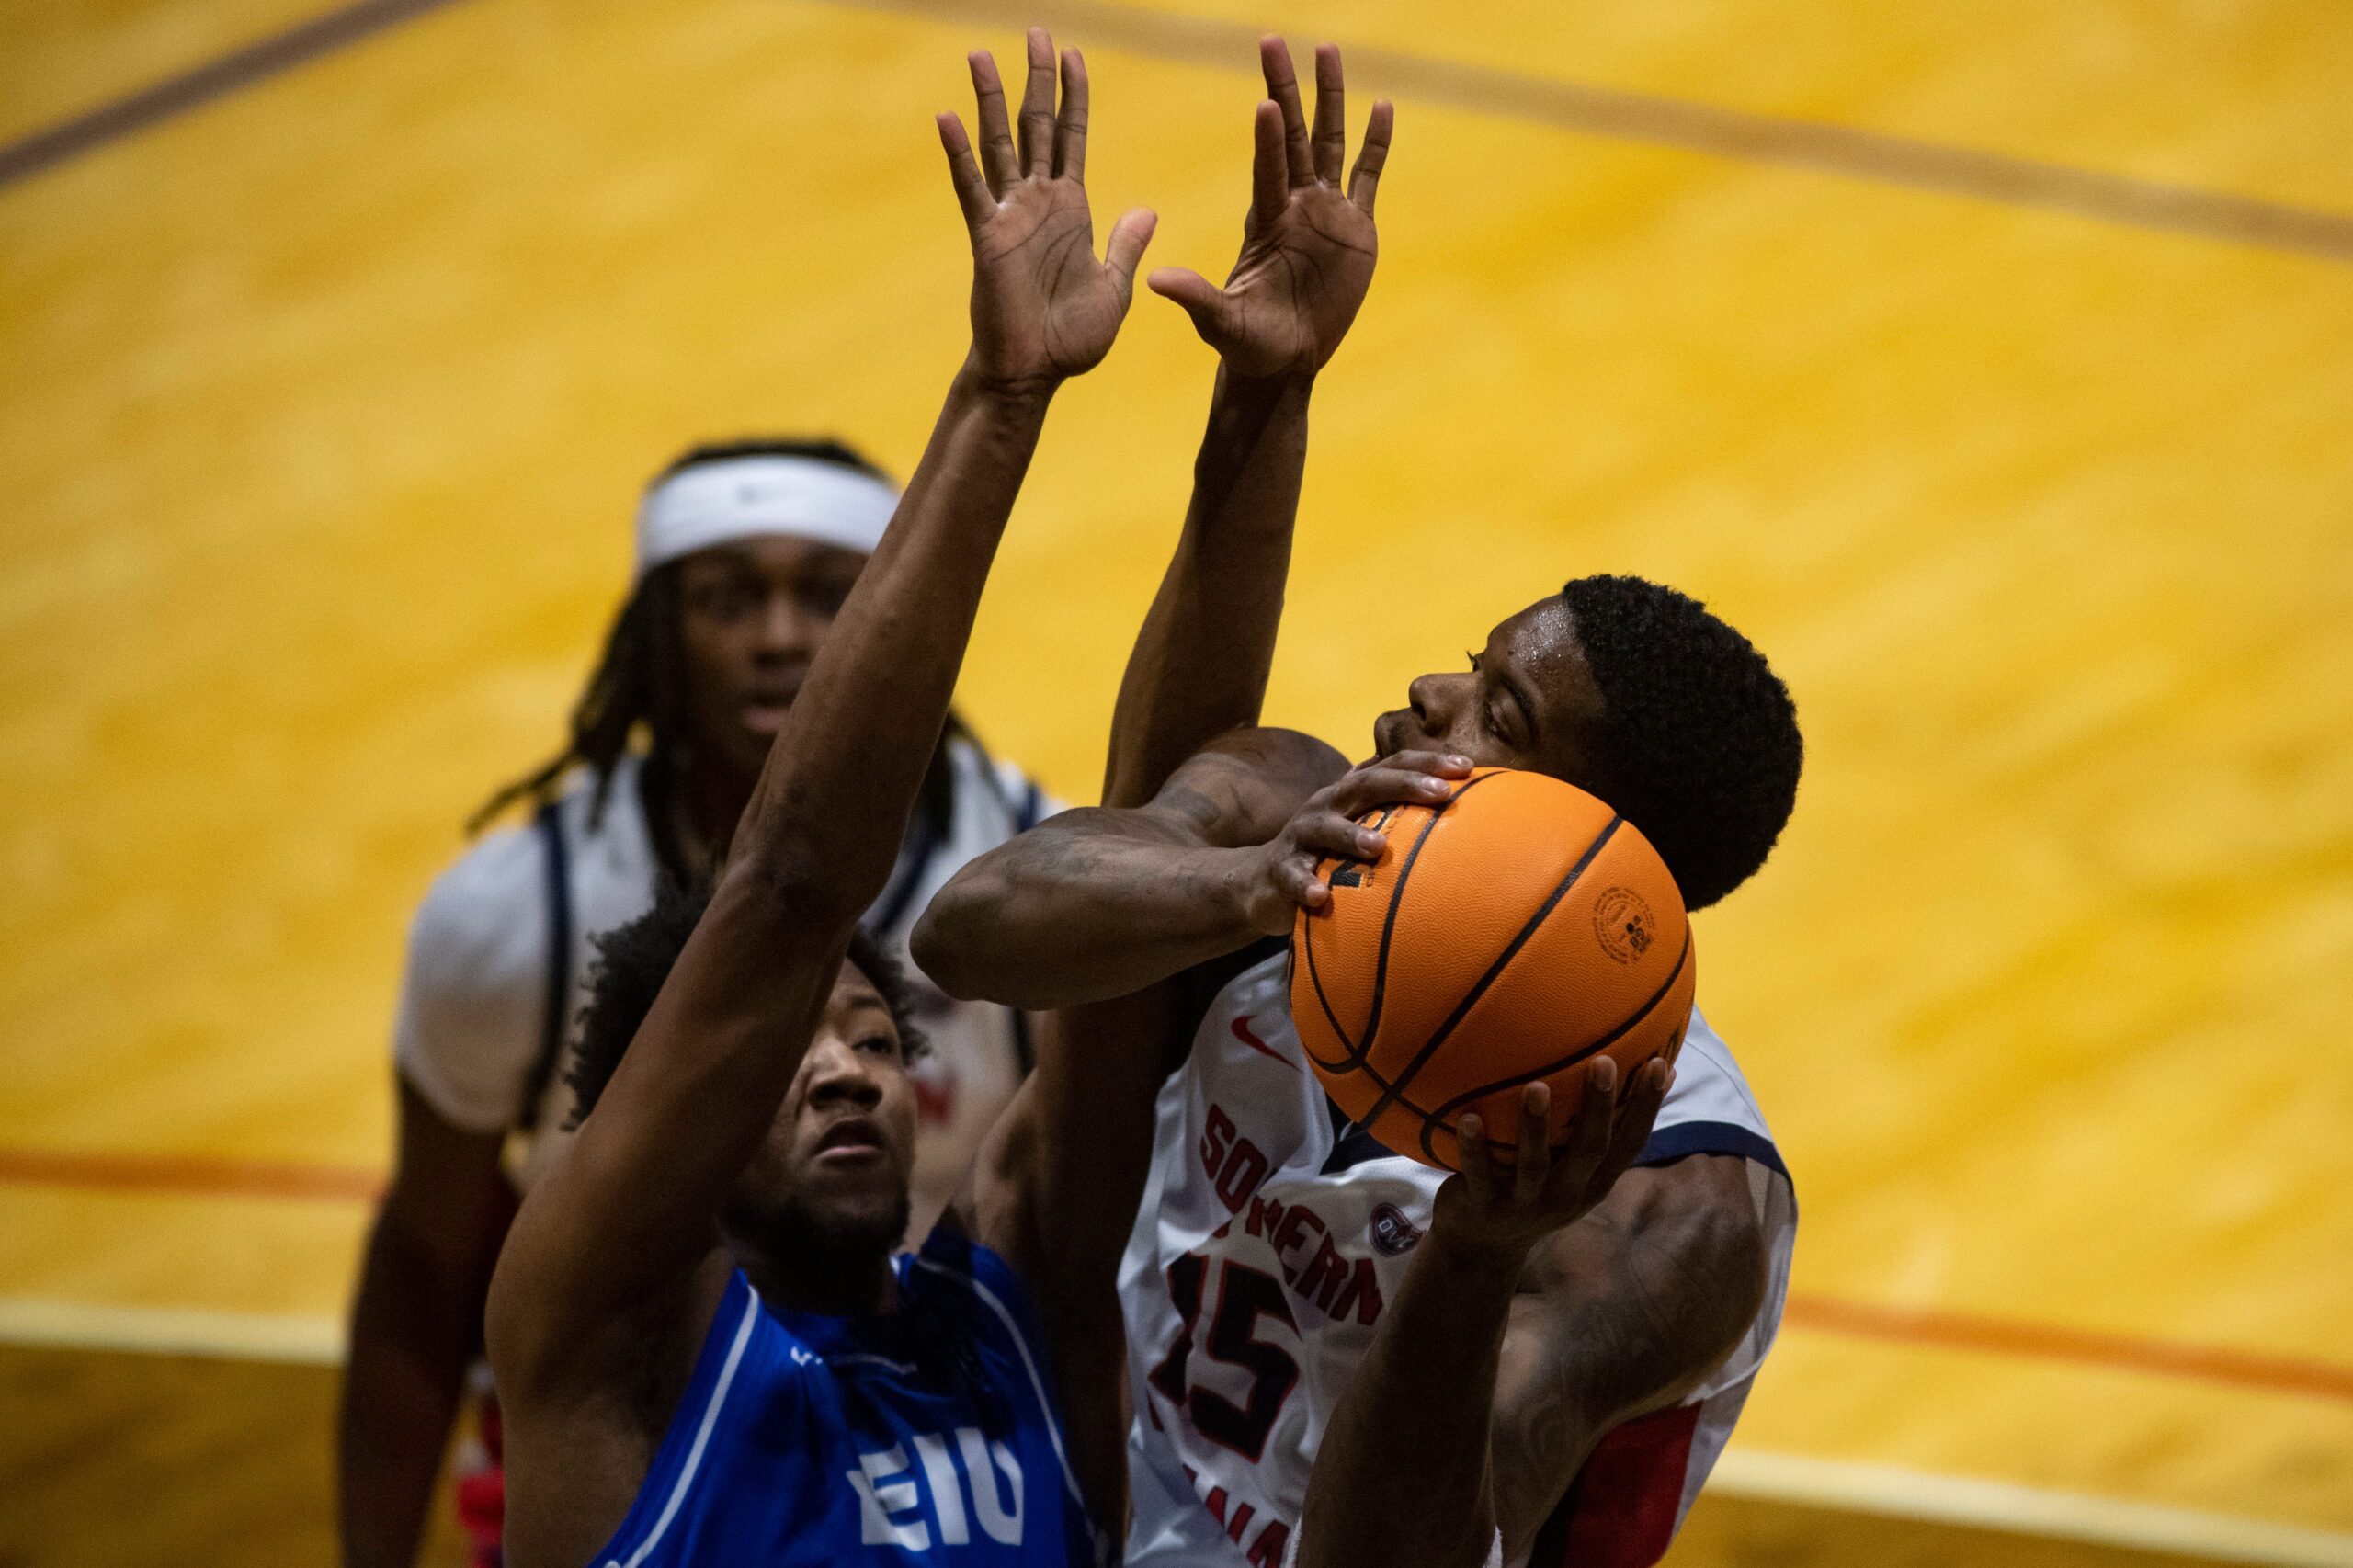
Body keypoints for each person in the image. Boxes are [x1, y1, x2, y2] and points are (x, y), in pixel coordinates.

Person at [913, 40, 1799, 1568]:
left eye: (1498, 716)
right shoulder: (1294, 819)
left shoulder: (1671, 1203)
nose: (1425, 701)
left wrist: (1474, 1252)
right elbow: (973, 932)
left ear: (1589, 855)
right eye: (1468, 670)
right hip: (1040, 1501)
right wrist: (1241, 891)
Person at [483, 29, 1158, 1567]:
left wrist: (1260, 415)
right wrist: (1000, 403)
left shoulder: (1010, 1316)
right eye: (791, 1051)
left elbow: (1142, 871)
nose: (851, 1070)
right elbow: (790, 887)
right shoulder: (613, 1350)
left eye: (868, 1036)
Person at [338, 333, 1055, 1568]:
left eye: (829, 593)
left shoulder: (1024, 860)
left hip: (941, 1408)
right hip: (642, 1416)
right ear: (658, 634)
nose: (781, 636)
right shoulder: (518, 913)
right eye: (730, 597)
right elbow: (424, 1265)